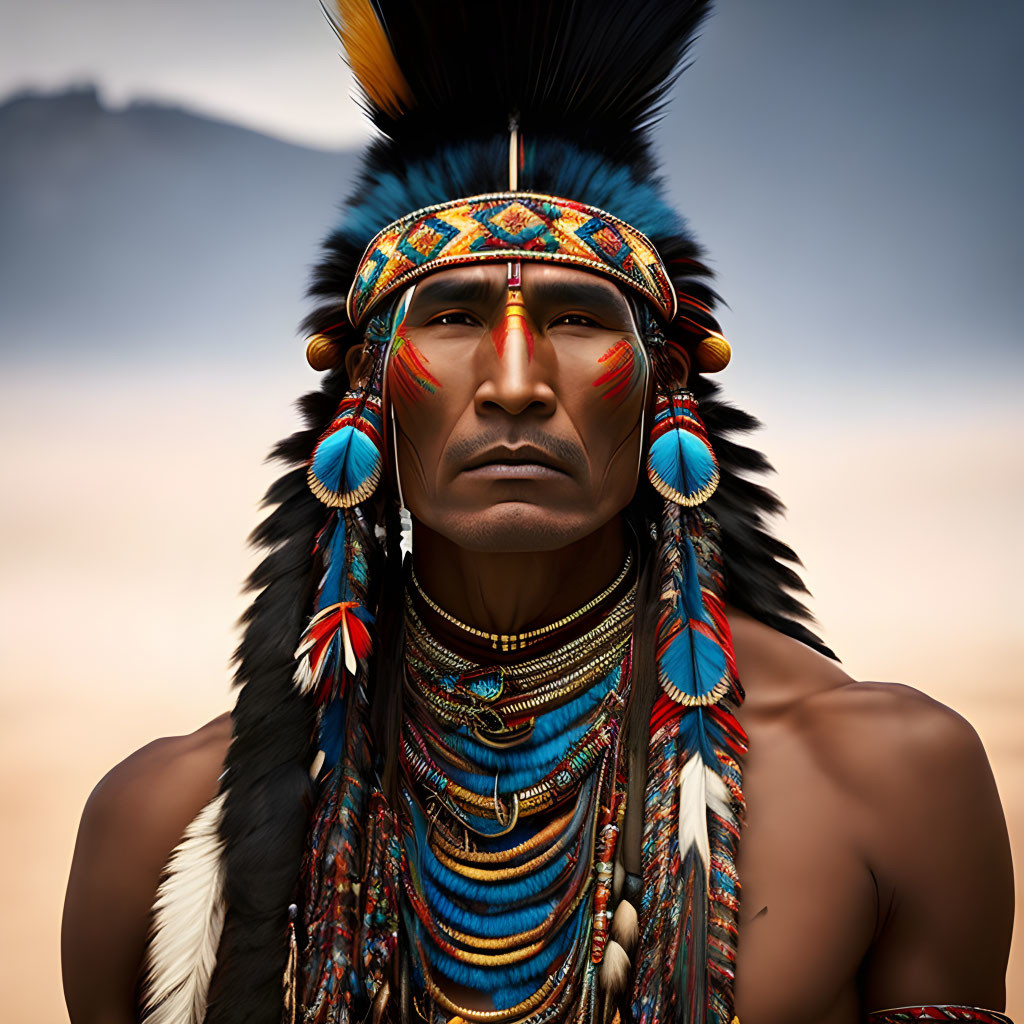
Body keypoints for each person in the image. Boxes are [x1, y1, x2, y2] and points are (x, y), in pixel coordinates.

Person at [62, 2, 1014, 1023]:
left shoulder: (887, 780)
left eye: (576, 319)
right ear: (367, 397)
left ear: (664, 390)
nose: (514, 380)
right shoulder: (158, 826)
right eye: (453, 317)